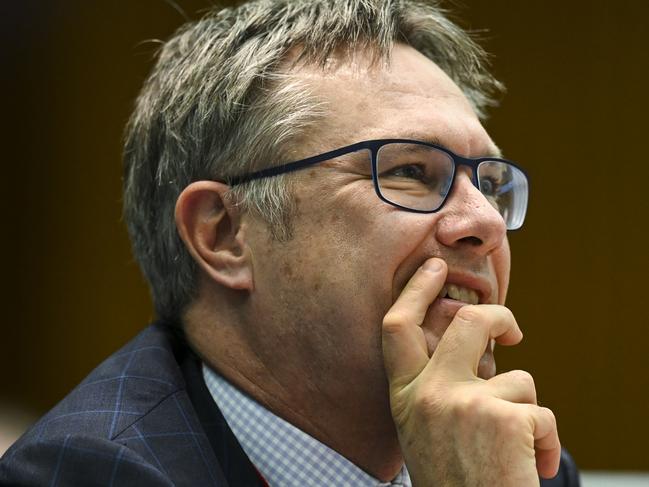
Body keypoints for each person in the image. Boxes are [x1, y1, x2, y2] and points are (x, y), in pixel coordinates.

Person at [0, 0, 580, 485]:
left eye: (490, 182)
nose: (484, 222)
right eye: (409, 172)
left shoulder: (509, 456)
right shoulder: (92, 473)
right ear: (225, 234)